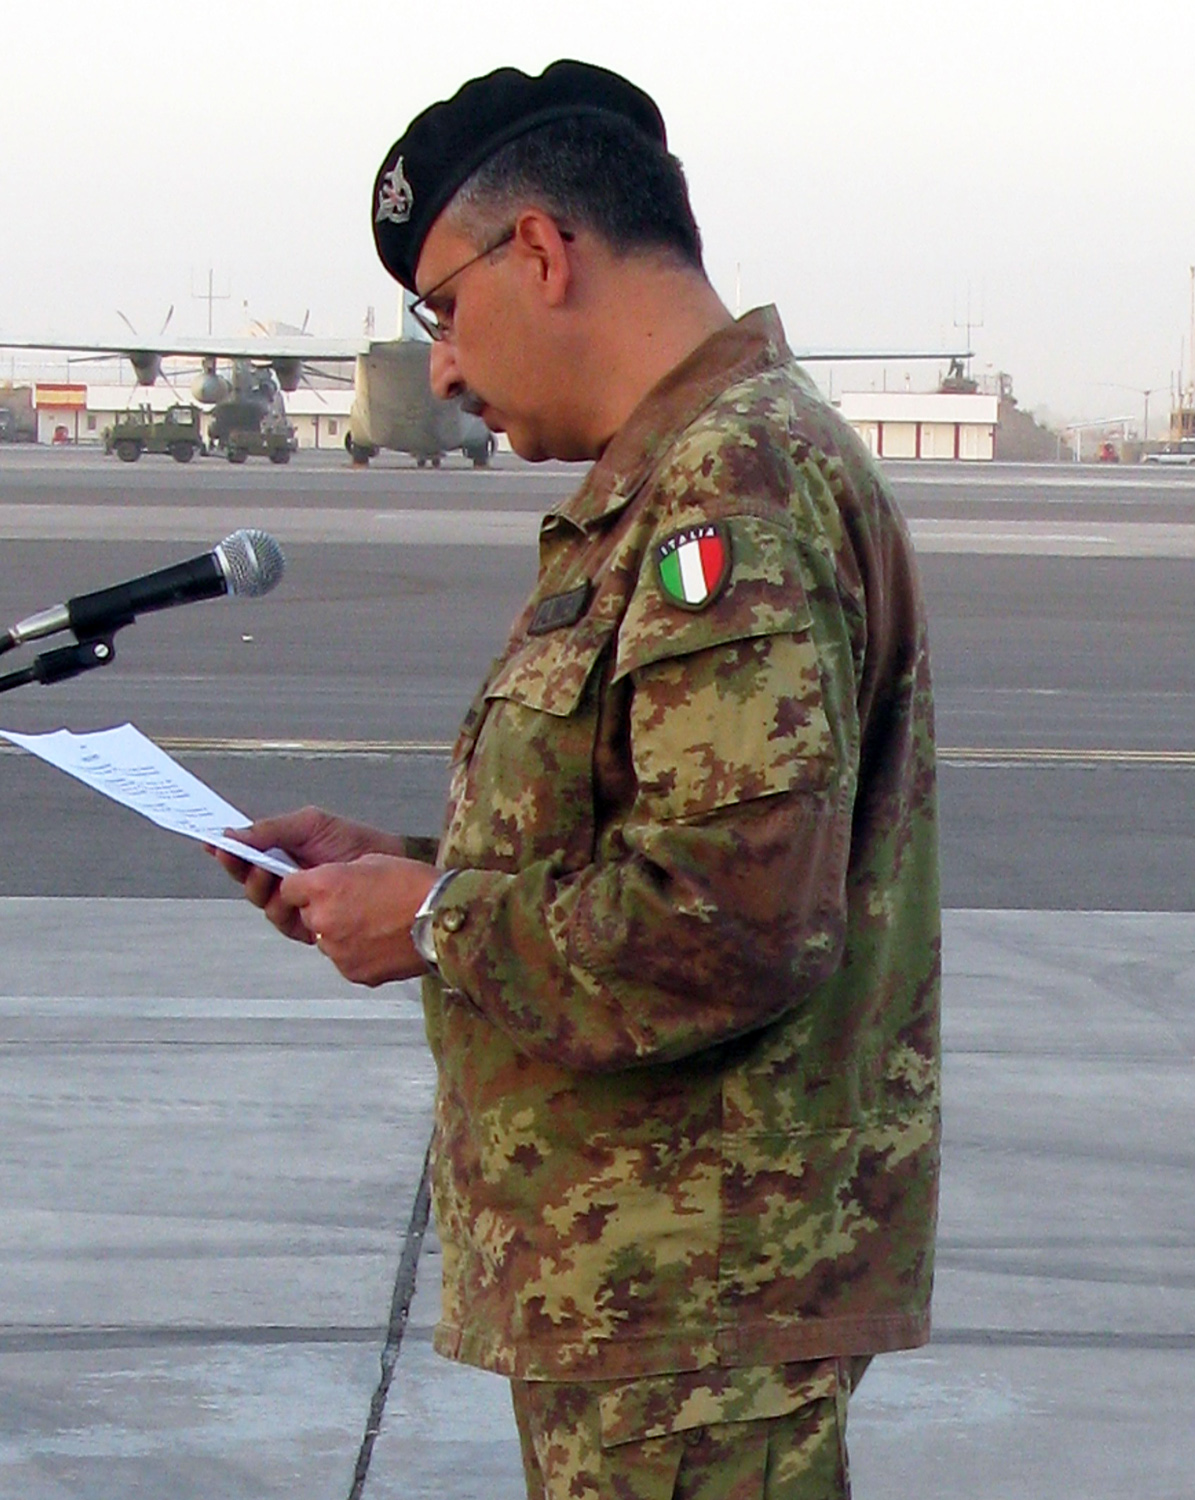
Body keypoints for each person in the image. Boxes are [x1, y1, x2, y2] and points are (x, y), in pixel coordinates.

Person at [214, 61, 940, 1500]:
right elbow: (661, 839)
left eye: (441, 309)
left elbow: (734, 919)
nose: (444, 369)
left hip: (687, 1312)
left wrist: (434, 920)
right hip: (650, 1299)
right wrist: (407, 867)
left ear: (542, 251)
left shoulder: (729, 491)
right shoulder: (689, 476)